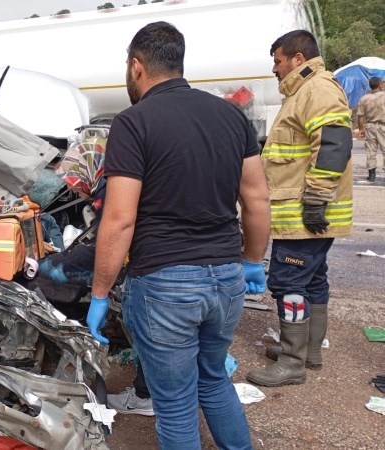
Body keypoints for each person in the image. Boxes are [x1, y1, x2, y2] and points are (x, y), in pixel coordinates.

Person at [85, 22, 270, 449]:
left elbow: (119, 220)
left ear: (136, 67)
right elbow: (258, 201)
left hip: (166, 284)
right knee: (213, 379)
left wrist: (99, 293)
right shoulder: (231, 115)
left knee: (175, 404)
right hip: (226, 279)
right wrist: (252, 261)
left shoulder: (133, 123)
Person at [246, 30, 353, 387]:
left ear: (297, 59)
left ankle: (292, 361)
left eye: (278, 61)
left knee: (288, 280)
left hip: (306, 211)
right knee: (313, 278)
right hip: (306, 210)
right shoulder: (305, 92)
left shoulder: (317, 89)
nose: (274, 69)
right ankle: (308, 351)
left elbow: (334, 145)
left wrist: (316, 199)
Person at [357, 76, 385, 182]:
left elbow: (360, 116)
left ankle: (372, 174)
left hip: (370, 127)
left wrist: (361, 129)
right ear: (379, 85)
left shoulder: (364, 98)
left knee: (370, 151)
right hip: (383, 126)